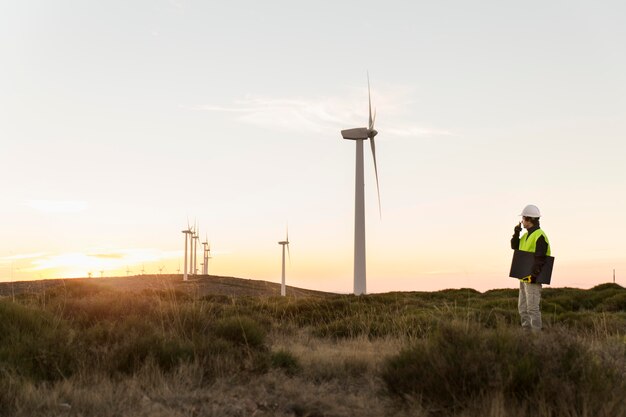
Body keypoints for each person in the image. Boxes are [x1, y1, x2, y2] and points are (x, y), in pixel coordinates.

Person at [511, 204, 551, 331]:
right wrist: (516, 233)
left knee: (532, 309)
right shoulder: (525, 235)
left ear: (529, 219)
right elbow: (515, 246)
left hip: (532, 278)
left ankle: (536, 339)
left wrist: (533, 276)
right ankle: (527, 337)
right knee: (522, 309)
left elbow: (541, 258)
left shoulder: (540, 236)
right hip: (523, 278)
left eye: (523, 218)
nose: (522, 221)